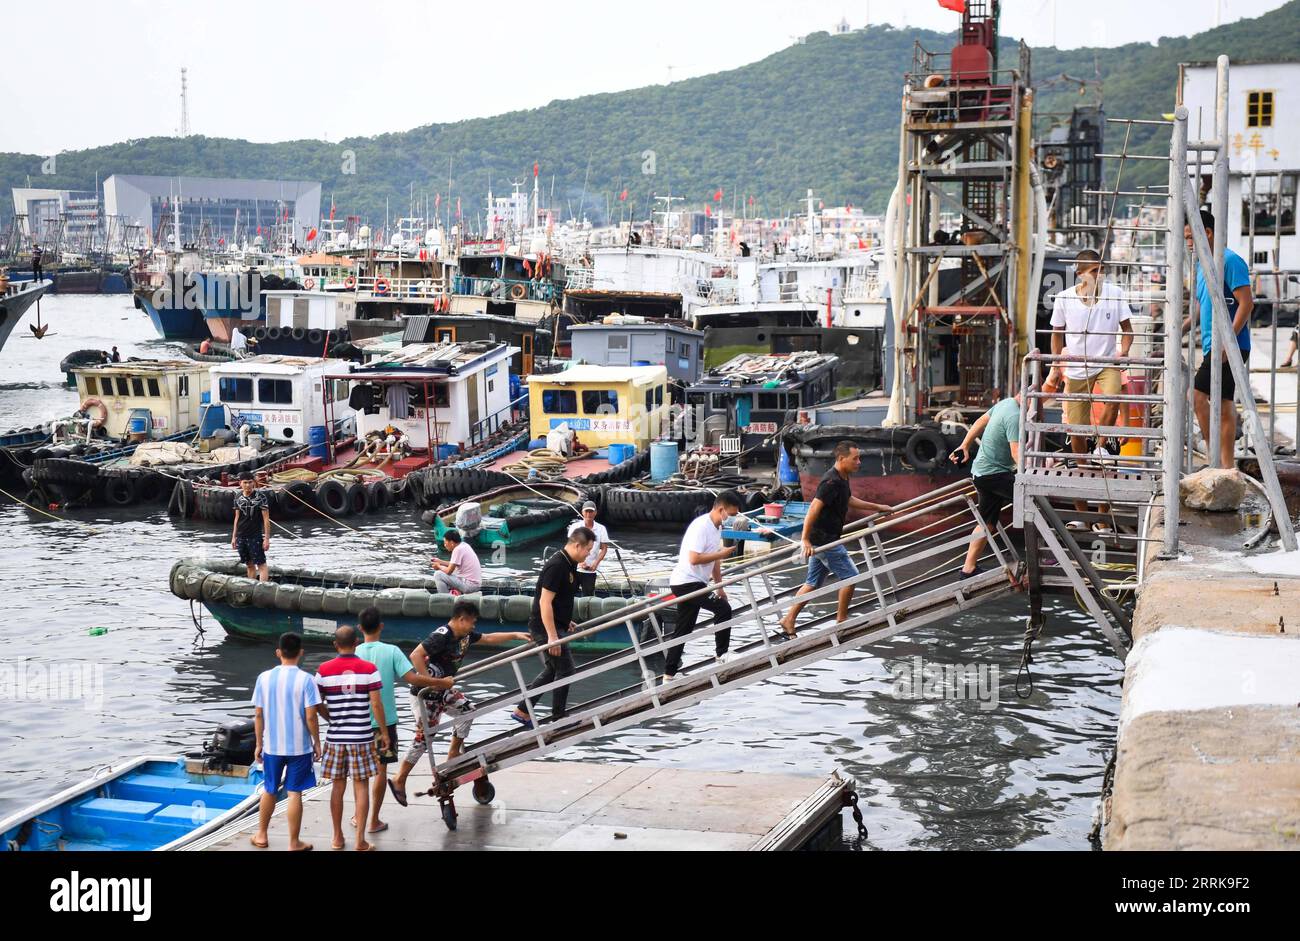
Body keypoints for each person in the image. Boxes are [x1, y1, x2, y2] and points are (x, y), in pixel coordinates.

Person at [386, 601, 528, 806]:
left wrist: (515, 635)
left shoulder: (466, 635)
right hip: (425, 695)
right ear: (462, 619)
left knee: (467, 711)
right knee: (424, 738)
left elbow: (488, 638)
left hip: (444, 691)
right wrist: (432, 683)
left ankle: (453, 751)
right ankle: (400, 778)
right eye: (472, 622)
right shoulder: (442, 635)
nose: (473, 626)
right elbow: (415, 655)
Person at [1046, 248, 1133, 529]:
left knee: (1113, 397)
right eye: (1094, 270)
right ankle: (1085, 515)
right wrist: (1056, 364)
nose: (1100, 275)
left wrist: (1124, 352)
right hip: (1075, 369)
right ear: (1081, 273)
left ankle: (1101, 450)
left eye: (1101, 269)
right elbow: (1056, 335)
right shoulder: (1064, 298)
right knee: (1077, 442)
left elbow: (1127, 330)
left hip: (1106, 363)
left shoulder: (1115, 294)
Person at [777, 442, 891, 639]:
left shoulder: (842, 478)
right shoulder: (831, 482)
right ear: (841, 459)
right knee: (851, 577)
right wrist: (804, 540)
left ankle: (789, 619)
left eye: (859, 458)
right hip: (824, 540)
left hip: (823, 539)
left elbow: (848, 500)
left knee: (812, 582)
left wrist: (878, 507)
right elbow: (814, 508)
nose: (859, 462)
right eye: (855, 458)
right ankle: (841, 621)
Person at [354, 606, 446, 833]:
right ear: (381, 627)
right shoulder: (392, 651)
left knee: (359, 774)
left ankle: (358, 817)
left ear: (359, 628)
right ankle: (373, 820)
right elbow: (412, 677)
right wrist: (441, 683)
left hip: (356, 722)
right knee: (381, 770)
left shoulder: (354, 653)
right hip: (384, 723)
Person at [1182, 209, 1254, 469]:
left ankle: (1217, 459)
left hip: (1230, 344)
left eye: (1191, 238)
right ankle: (1224, 464)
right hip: (1214, 344)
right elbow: (1205, 304)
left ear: (1208, 233)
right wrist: (1185, 326)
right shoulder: (1203, 265)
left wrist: (1228, 342)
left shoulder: (1230, 261)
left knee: (1197, 395)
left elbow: (1246, 304)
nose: (1188, 243)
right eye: (1186, 238)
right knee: (1223, 403)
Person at [509, 528, 596, 727]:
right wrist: (552, 636)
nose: (589, 554)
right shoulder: (556, 565)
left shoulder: (570, 564)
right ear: (577, 545)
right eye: (588, 550)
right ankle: (557, 718)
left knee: (553, 669)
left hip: (556, 625)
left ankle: (523, 710)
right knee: (565, 670)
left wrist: (566, 621)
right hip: (544, 627)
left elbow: (561, 599)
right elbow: (544, 603)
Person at [315, 625, 389, 852]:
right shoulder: (369, 669)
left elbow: (316, 704)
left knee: (337, 787)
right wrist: (384, 733)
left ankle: (337, 838)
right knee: (361, 786)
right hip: (362, 737)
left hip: (335, 738)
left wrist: (331, 718)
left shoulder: (323, 670)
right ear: (356, 643)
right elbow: (376, 703)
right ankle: (360, 841)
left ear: (335, 645)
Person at [250, 631, 321, 851]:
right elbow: (311, 716)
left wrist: (259, 743)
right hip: (299, 747)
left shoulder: (264, 677)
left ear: (278, 652)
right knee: (294, 792)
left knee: (270, 789)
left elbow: (259, 715)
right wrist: (317, 742)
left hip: (272, 745)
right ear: (301, 653)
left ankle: (261, 835)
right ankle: (293, 842)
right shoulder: (307, 680)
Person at [663, 490, 742, 680]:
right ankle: (722, 654)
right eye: (730, 515)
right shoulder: (701, 527)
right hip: (686, 582)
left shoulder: (717, 528)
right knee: (723, 609)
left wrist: (719, 587)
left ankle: (668, 674)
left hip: (695, 582)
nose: (731, 519)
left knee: (684, 628)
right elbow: (694, 558)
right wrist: (721, 554)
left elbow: (714, 562)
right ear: (721, 509)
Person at [951, 390, 1022, 578]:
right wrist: (1032, 474)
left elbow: (981, 421)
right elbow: (1016, 453)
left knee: (987, 523)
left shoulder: (1006, 403)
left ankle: (968, 569)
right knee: (1034, 502)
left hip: (982, 473)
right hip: (994, 475)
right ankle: (1046, 555)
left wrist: (964, 445)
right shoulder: (1015, 416)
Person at [231, 472, 271, 581]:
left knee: (261, 564)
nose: (248, 485)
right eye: (245, 483)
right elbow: (237, 518)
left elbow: (266, 519)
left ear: (253, 482)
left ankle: (263, 590)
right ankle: (251, 587)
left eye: (250, 482)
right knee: (249, 564)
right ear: (240, 483)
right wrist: (234, 537)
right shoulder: (238, 496)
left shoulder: (261, 497)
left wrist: (266, 539)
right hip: (241, 535)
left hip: (255, 535)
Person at [567, 501, 608, 596]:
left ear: (595, 513)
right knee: (569, 593)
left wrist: (595, 563)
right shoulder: (575, 527)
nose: (589, 514)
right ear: (582, 512)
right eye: (586, 511)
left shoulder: (601, 529)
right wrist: (580, 562)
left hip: (590, 570)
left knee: (588, 596)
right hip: (574, 568)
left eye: (591, 511)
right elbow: (570, 547)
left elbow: (604, 549)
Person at [431, 529, 481, 594]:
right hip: (475, 585)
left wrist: (438, 566)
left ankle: (444, 598)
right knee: (453, 571)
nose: (445, 545)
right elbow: (454, 564)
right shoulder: (464, 545)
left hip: (469, 586)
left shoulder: (457, 550)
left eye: (445, 543)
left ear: (451, 543)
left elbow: (449, 571)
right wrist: (440, 561)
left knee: (438, 574)